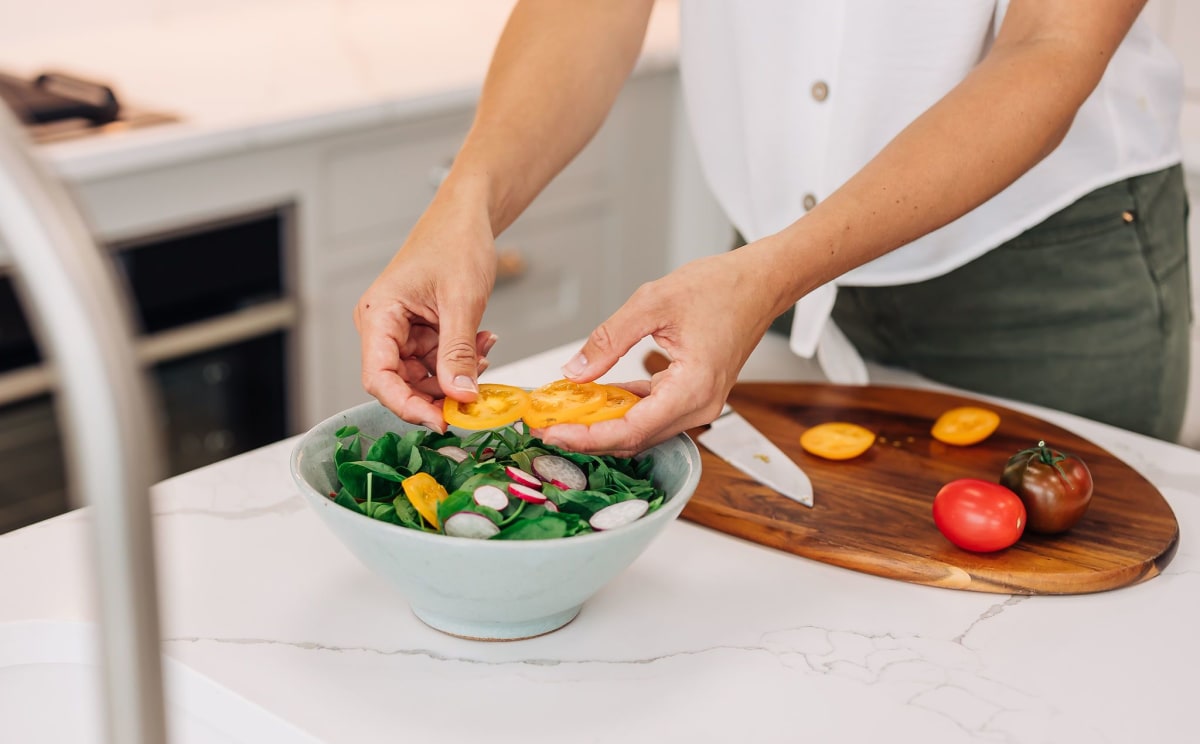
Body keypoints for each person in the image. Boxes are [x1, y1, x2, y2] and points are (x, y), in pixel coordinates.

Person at [355, 0, 1190, 457]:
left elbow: (1052, 42)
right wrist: (468, 200)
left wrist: (774, 273)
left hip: (1051, 275)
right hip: (764, 280)